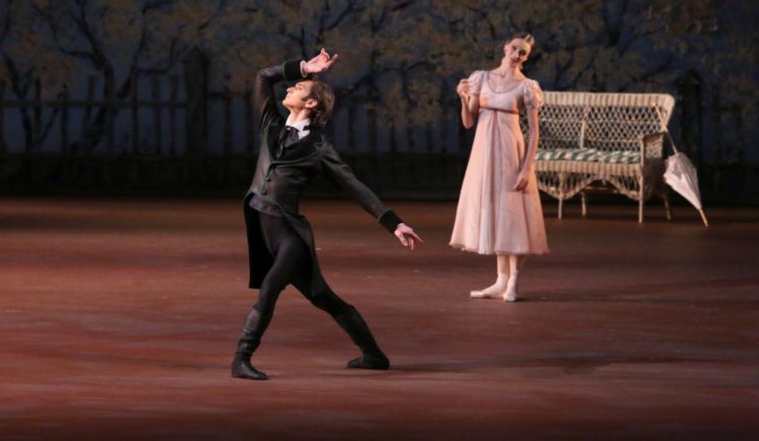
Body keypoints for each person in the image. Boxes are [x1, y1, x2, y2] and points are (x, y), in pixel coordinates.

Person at [231, 48, 423, 381]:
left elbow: (355, 186)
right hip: (263, 227)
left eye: (300, 88)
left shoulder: (319, 148)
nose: (290, 88)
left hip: (289, 234)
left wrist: (394, 222)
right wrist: (305, 67)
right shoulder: (270, 125)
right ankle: (374, 355)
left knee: (270, 289)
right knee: (323, 297)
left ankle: (241, 358)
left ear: (311, 104)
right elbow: (264, 77)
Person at [450, 33, 548, 302]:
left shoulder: (527, 86)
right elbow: (469, 121)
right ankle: (500, 280)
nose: (517, 54)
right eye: (514, 48)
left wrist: (526, 169)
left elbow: (534, 133)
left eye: (523, 52)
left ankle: (513, 281)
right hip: (484, 153)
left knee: (512, 213)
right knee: (494, 211)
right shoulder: (481, 77)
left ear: (526, 58)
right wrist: (463, 96)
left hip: (509, 153)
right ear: (506, 47)